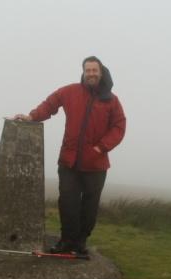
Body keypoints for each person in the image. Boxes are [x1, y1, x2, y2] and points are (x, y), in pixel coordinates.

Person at [13, 56, 126, 255]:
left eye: (94, 70)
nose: (91, 73)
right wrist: (31, 116)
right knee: (67, 203)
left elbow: (119, 126)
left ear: (101, 72)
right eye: (88, 70)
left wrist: (101, 147)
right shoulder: (70, 91)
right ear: (83, 72)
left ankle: (80, 242)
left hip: (96, 164)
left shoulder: (111, 100)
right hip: (69, 161)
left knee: (89, 207)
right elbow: (50, 104)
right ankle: (66, 240)